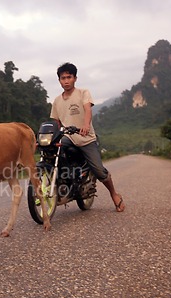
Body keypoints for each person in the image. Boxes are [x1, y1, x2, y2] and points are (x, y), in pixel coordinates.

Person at [50, 62, 125, 212]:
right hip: (68, 137)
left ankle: (114, 194)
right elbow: (56, 123)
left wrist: (85, 126)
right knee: (53, 151)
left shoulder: (83, 93)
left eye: (69, 77)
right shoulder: (57, 101)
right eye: (62, 78)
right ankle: (63, 183)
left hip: (86, 138)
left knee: (98, 170)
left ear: (75, 78)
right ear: (59, 80)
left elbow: (87, 110)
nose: (66, 81)